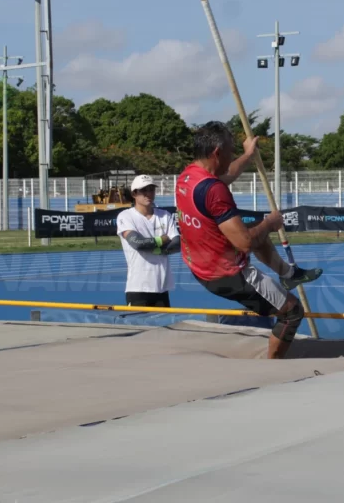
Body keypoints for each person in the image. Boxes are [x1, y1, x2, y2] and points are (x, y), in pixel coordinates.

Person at [175, 121, 322, 359]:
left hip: (200, 264)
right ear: (217, 152)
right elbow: (244, 243)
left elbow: (227, 173)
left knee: (256, 232)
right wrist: (271, 223)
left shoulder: (188, 176)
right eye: (231, 151)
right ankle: (271, 366)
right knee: (292, 311)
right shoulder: (214, 191)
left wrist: (248, 155)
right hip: (227, 274)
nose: (232, 156)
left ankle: (288, 274)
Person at [116, 174, 180, 307]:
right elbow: (138, 243)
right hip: (138, 288)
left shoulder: (165, 215)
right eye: (143, 190)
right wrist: (161, 240)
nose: (148, 194)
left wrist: (154, 248)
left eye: (151, 189)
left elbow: (177, 244)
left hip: (162, 288)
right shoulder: (126, 216)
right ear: (134, 194)